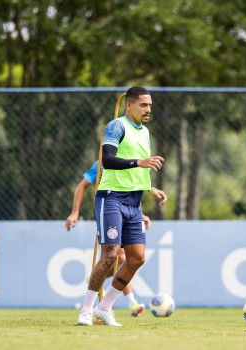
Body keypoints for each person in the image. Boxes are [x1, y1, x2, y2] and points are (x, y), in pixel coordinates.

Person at [77, 86, 167, 326]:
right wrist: (140, 161)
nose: (148, 109)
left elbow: (139, 169)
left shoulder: (145, 132)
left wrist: (150, 188)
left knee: (137, 258)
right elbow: (108, 160)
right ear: (129, 105)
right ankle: (86, 310)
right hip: (111, 198)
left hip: (134, 202)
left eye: (149, 105)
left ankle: (104, 308)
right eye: (143, 105)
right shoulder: (116, 126)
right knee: (111, 254)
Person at [65, 160, 150, 317]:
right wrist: (75, 212)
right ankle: (129, 302)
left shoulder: (129, 161)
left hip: (126, 210)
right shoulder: (104, 161)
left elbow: (129, 190)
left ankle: (102, 281)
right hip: (107, 210)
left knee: (126, 258)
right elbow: (82, 185)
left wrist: (140, 215)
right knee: (117, 255)